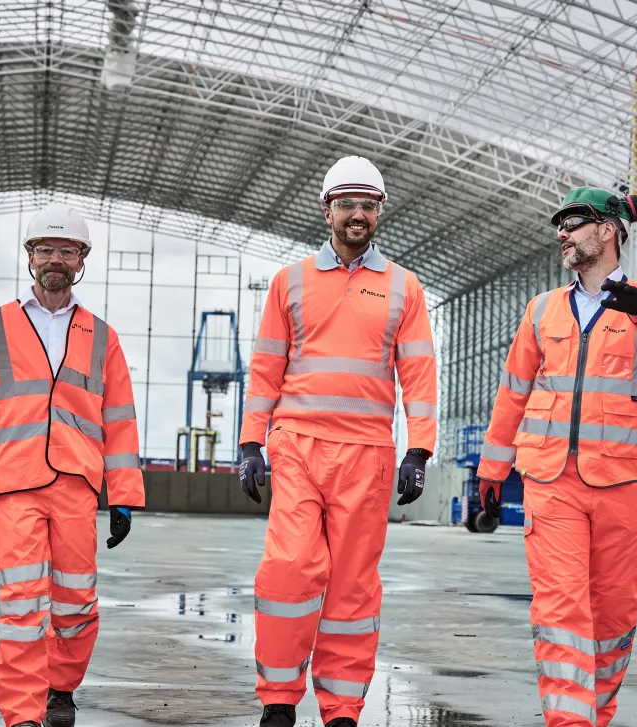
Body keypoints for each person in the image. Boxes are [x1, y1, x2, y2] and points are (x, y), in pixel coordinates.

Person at [476, 187, 637, 727]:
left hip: (623, 488)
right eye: (559, 224)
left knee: (614, 616)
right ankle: (569, 722)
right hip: (551, 484)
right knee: (560, 613)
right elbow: (513, 394)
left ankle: (596, 716)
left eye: (573, 222)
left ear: (607, 231)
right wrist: (491, 468)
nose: (562, 233)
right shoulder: (542, 311)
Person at [237, 156, 437, 727]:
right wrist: (252, 443)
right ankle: (278, 700)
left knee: (352, 586)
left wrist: (418, 449)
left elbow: (419, 371)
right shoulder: (290, 281)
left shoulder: (404, 287)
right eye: (347, 204)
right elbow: (266, 368)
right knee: (289, 570)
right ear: (326, 210)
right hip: (297, 446)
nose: (358, 215)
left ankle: (343, 709)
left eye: (368, 206)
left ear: (379, 213)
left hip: (368, 455)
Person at [0, 203, 145, 727]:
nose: (57, 259)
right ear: (30, 256)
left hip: (77, 486)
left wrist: (123, 495)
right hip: (16, 484)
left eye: (68, 250)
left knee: (76, 602)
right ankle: (22, 714)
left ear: (82, 260)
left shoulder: (103, 337)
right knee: (21, 604)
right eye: (47, 249)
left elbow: (119, 422)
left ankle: (61, 687)